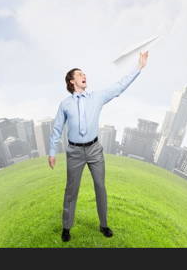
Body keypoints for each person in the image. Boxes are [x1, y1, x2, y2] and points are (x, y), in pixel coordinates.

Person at [48, 51, 149, 242]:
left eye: (84, 74)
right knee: (71, 190)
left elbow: (119, 87)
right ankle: (66, 227)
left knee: (100, 187)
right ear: (71, 81)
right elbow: (57, 129)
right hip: (75, 152)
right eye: (79, 74)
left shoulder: (97, 97)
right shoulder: (65, 104)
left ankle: (104, 225)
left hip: (94, 150)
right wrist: (52, 152)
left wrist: (139, 67)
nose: (84, 76)